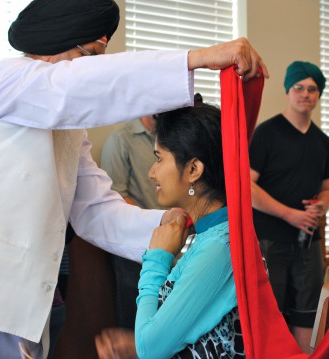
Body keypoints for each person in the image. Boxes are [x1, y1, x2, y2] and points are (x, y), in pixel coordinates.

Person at [0, 0, 267, 357]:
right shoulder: (3, 80)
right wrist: (196, 58)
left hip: (18, 305)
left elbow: (95, 210)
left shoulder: (70, 127)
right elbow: (74, 85)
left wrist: (169, 223)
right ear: (53, 44)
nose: (93, 68)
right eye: (89, 55)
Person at [96, 102, 245, 359]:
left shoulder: (219, 247)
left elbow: (149, 350)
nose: (152, 173)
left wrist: (157, 258)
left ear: (193, 169)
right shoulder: (213, 235)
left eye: (159, 158)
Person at [249, 61, 329, 353]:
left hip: (309, 243)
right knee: (270, 313)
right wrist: (291, 215)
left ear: (318, 94)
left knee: (308, 312)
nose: (305, 93)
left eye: (312, 89)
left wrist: (319, 207)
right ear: (288, 90)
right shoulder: (267, 133)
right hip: (269, 242)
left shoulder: (322, 142)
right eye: (299, 87)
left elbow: (326, 191)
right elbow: (247, 188)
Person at [100, 115, 162, 330]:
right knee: (135, 312)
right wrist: (154, 223)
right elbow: (114, 197)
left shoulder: (170, 136)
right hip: (133, 243)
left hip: (172, 239)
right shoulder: (120, 139)